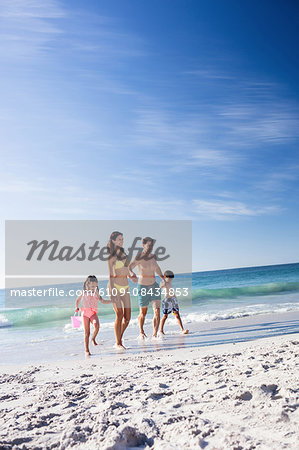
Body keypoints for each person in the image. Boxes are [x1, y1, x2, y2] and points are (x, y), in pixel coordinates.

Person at [107, 231, 137, 350]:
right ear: (113, 241)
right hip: (114, 286)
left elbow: (128, 270)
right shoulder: (111, 256)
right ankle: (119, 342)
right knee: (119, 315)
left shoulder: (125, 255)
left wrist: (132, 275)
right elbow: (110, 274)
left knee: (127, 317)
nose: (121, 241)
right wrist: (113, 290)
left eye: (122, 239)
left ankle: (118, 338)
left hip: (125, 287)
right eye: (119, 239)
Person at [129, 237, 163, 338]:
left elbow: (157, 268)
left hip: (154, 285)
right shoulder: (139, 257)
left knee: (157, 310)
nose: (151, 248)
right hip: (143, 286)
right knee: (143, 313)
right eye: (149, 246)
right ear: (143, 245)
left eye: (152, 246)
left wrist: (163, 278)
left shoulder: (153, 256)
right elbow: (129, 267)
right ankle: (141, 331)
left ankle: (154, 334)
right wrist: (131, 273)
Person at [75, 275, 111, 356]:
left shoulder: (96, 293)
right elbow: (77, 300)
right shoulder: (83, 292)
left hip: (92, 313)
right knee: (87, 333)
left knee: (97, 326)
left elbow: (102, 301)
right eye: (92, 286)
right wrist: (76, 307)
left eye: (95, 286)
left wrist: (112, 301)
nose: (93, 288)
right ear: (87, 284)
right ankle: (87, 350)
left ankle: (93, 338)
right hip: (85, 314)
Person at [160, 270, 189, 335]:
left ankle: (182, 329)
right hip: (167, 301)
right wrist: (163, 280)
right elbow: (161, 286)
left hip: (173, 299)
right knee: (165, 316)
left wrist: (176, 300)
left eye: (171, 278)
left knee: (177, 315)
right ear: (165, 277)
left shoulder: (170, 283)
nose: (170, 279)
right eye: (169, 278)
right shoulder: (164, 283)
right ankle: (161, 330)